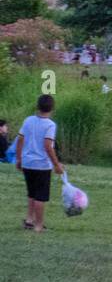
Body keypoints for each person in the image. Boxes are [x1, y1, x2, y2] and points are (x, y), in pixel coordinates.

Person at [16, 95, 63, 232]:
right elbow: (48, 146)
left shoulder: (28, 120)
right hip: (41, 166)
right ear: (52, 108)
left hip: (27, 163)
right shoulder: (50, 125)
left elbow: (20, 140)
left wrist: (19, 159)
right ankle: (39, 225)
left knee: (31, 193)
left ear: (37, 107)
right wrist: (56, 164)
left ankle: (29, 221)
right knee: (40, 196)